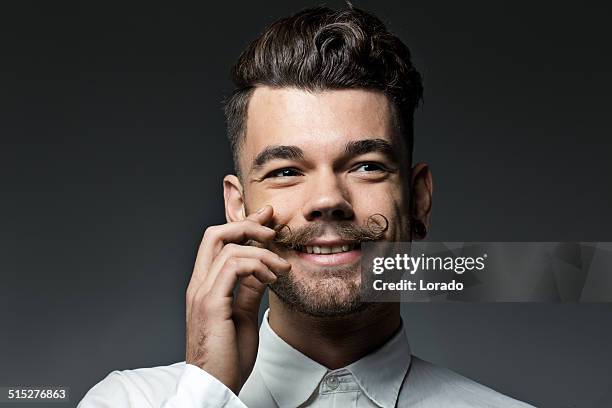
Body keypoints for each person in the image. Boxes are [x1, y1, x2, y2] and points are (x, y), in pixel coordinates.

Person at [79, 4, 534, 407]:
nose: (327, 200)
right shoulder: (127, 400)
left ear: (418, 199)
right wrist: (206, 391)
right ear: (236, 208)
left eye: (366, 166)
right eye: (285, 172)